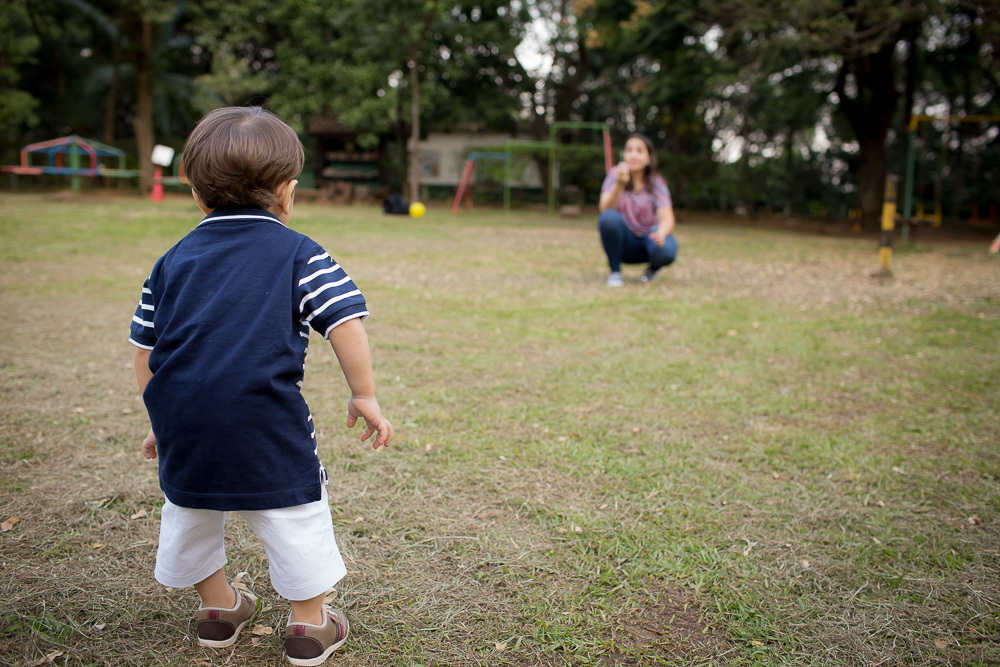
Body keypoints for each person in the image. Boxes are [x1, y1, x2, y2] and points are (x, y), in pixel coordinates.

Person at [129, 106, 393, 666]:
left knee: (192, 507)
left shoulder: (171, 261)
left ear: (197, 194)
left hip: (185, 418)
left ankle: (219, 611)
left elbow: (146, 348)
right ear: (287, 192)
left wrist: (161, 420)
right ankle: (308, 625)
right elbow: (344, 321)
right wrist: (364, 394)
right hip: (265, 416)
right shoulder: (300, 253)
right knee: (293, 511)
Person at [597, 133, 678, 287]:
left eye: (639, 151)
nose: (633, 154)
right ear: (624, 155)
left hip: (649, 240)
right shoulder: (615, 175)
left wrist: (661, 233)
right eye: (629, 150)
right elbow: (605, 210)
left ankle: (652, 271)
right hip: (625, 242)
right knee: (609, 218)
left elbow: (667, 218)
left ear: (648, 158)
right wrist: (619, 185)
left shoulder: (656, 182)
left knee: (667, 249)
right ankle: (615, 272)